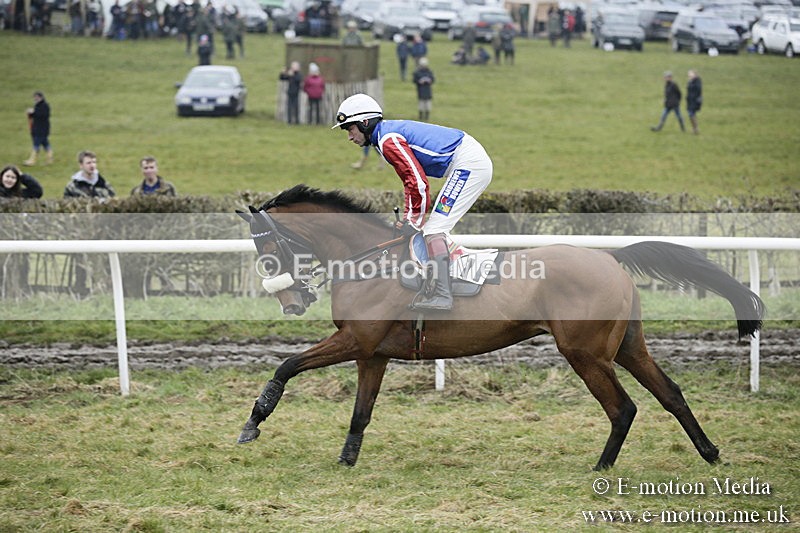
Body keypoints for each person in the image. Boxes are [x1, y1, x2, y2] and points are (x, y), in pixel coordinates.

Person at [333, 94, 493, 311]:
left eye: (349, 128)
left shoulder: (387, 140)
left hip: (469, 165)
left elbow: (417, 182)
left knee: (434, 229)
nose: (349, 137)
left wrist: (413, 221)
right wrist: (411, 218)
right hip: (467, 161)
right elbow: (411, 183)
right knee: (431, 228)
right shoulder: (385, 137)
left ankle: (442, 294)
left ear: (364, 122)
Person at [24, 91, 53, 167]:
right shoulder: (37, 106)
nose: (35, 98)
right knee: (45, 144)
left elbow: (43, 115)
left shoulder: (44, 106)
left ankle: (32, 160)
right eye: (35, 97)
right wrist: (31, 113)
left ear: (41, 97)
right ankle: (49, 158)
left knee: (36, 145)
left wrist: (34, 112)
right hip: (37, 129)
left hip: (41, 129)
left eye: (37, 97)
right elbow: (35, 116)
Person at [686, 69, 703, 135]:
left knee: (691, 114)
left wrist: (691, 83)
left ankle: (695, 129)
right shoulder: (690, 81)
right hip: (690, 100)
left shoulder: (698, 81)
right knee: (691, 115)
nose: (689, 75)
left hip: (695, 101)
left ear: (695, 74)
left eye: (691, 74)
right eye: (689, 74)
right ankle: (695, 129)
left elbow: (699, 89)